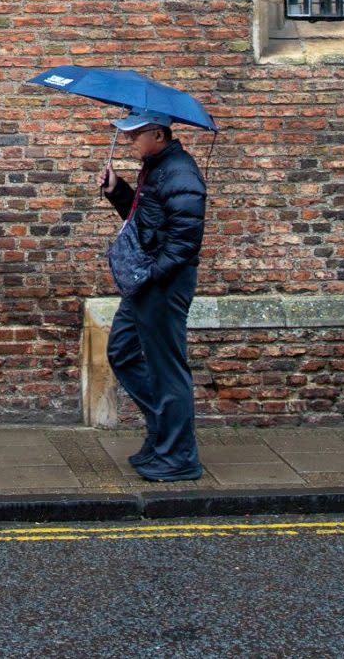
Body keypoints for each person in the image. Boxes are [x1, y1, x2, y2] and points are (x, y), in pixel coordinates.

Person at [99, 109, 206, 482]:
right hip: (146, 281)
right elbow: (146, 219)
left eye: (135, 136)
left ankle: (178, 455)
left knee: (167, 369)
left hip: (163, 283)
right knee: (122, 351)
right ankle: (164, 432)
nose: (130, 142)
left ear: (158, 135)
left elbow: (184, 242)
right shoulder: (157, 167)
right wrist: (119, 191)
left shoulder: (180, 173)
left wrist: (151, 276)